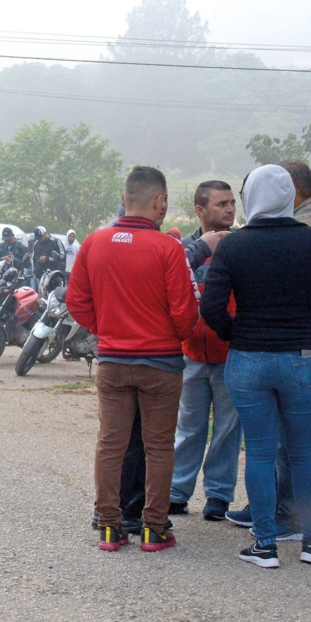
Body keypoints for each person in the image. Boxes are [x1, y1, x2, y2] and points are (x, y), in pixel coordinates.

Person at [201, 164, 311, 567]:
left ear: (251, 198)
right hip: (303, 359)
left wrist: (238, 333)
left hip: (249, 359)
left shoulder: (234, 246)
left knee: (261, 453)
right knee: (304, 453)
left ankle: (264, 544)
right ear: (289, 196)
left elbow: (211, 307)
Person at [66, 166, 198, 553]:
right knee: (158, 446)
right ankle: (154, 529)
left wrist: (106, 327)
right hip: (160, 362)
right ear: (159, 202)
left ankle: (109, 526)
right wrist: (170, 335)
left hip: (112, 359)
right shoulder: (168, 248)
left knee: (111, 443)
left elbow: (76, 301)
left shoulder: (94, 242)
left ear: (124, 198)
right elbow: (186, 313)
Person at [168, 181, 239, 522]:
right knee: (189, 427)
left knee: (227, 430)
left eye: (232, 203)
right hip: (191, 354)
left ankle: (219, 497)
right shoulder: (183, 250)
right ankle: (177, 492)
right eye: (221, 204)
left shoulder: (243, 247)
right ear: (200, 210)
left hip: (231, 356)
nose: (229, 209)